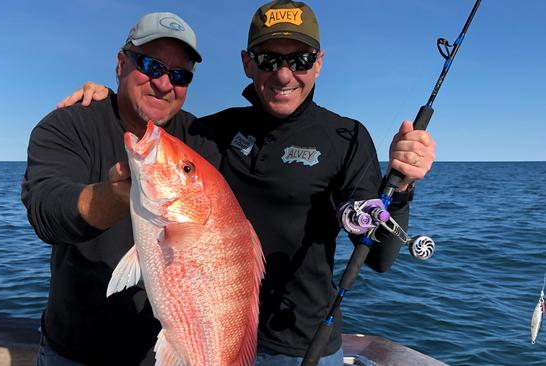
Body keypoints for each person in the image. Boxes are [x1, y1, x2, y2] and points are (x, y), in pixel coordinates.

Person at [61, 1, 436, 365]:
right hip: (208, 331)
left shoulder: (347, 137)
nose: (284, 74)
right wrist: (108, 100)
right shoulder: (213, 131)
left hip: (303, 347)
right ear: (247, 63)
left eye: (300, 59)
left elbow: (381, 258)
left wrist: (400, 187)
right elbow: (155, 116)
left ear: (319, 63)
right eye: (269, 59)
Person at [21, 12, 221, 365]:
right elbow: (46, 211)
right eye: (150, 64)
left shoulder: (203, 142)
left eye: (180, 75)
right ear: (120, 64)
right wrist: (115, 196)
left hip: (170, 352)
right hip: (74, 352)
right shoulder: (70, 125)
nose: (163, 83)